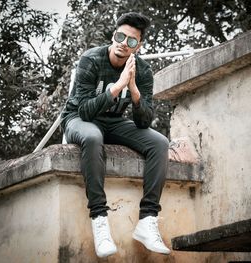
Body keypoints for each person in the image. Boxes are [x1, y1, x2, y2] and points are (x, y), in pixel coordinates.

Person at [61, 12, 171, 258]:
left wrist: (133, 89)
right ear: (114, 35)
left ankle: (147, 219)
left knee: (160, 143)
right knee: (92, 138)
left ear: (138, 46)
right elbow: (85, 111)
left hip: (114, 123)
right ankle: (99, 218)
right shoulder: (91, 60)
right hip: (79, 119)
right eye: (120, 36)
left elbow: (143, 121)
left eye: (132, 41)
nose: (124, 43)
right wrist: (117, 86)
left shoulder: (142, 71)